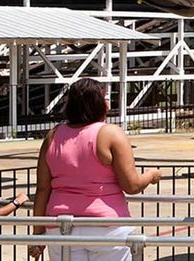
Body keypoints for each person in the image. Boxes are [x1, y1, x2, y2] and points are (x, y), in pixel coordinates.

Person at [29, 77, 162, 261]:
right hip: (106, 226)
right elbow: (131, 185)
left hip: (60, 226)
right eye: (105, 97)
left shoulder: (53, 136)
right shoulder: (110, 133)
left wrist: (38, 234)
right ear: (99, 103)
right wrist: (151, 175)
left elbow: (43, 188)